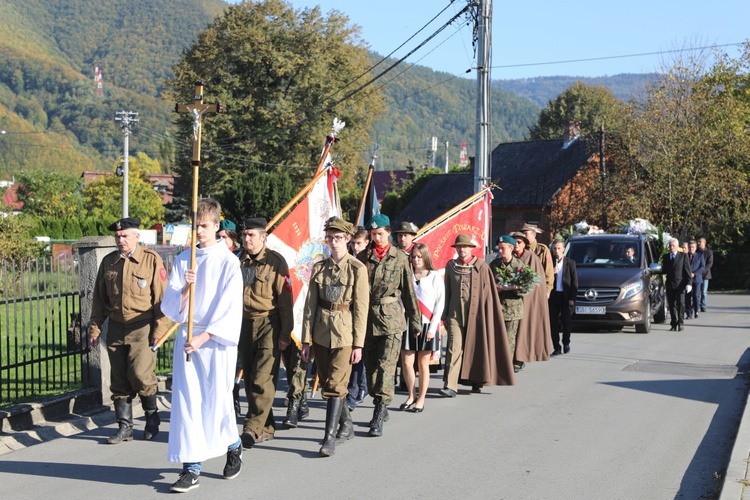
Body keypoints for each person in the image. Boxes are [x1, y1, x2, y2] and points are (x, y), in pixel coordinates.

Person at [161, 198, 244, 492]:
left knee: (216, 401)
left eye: (204, 226)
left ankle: (233, 445)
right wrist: (186, 287)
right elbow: (171, 307)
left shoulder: (229, 262)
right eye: (195, 225)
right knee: (188, 403)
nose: (199, 231)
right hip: (187, 337)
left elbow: (230, 309)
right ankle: (191, 468)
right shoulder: (185, 259)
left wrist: (204, 337)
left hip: (215, 342)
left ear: (217, 225)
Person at [89, 217, 170, 445]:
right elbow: (99, 299)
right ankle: (124, 427)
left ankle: (151, 417)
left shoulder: (150, 260)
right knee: (119, 379)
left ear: (137, 236)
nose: (120, 239)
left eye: (125, 235)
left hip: (142, 326)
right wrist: (95, 328)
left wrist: (159, 330)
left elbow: (162, 299)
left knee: (141, 375)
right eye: (117, 236)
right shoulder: (109, 262)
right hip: (116, 326)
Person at [300, 217, 369, 456]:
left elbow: (361, 309)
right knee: (330, 382)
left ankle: (328, 437)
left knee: (336, 385)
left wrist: (359, 344)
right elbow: (310, 307)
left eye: (338, 238)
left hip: (345, 334)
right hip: (320, 332)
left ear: (348, 239)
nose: (334, 242)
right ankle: (347, 425)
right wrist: (305, 340)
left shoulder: (357, 269)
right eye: (329, 238)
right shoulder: (319, 268)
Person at [357, 214, 421, 437]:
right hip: (366, 318)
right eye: (373, 235)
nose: (377, 238)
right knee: (371, 366)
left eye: (380, 234)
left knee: (386, 365)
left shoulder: (399, 258)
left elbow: (409, 291)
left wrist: (416, 320)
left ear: (389, 234)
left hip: (392, 318)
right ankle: (379, 399)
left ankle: (379, 410)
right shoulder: (362, 256)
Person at [236, 218, 294, 448]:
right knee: (250, 379)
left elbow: (285, 301)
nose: (247, 239)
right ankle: (267, 426)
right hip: (243, 324)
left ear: (263, 237)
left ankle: (251, 427)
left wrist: (285, 334)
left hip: (269, 323)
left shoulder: (276, 263)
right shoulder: (236, 261)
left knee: (263, 377)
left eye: (251, 235)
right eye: (244, 235)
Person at [440, 234, 515, 397]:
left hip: (476, 314)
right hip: (454, 314)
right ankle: (450, 386)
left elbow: (488, 294)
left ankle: (476, 381)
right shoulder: (450, 266)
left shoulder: (481, 266)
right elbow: (447, 291)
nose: (462, 250)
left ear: (471, 248)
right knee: (454, 348)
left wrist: (487, 316)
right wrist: (444, 314)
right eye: (459, 247)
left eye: (465, 247)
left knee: (475, 348)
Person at [399, 242, 444, 412]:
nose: (416, 259)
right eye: (413, 257)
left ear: (425, 257)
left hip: (427, 325)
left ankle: (421, 399)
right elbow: (400, 300)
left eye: (419, 256)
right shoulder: (407, 276)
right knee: (406, 362)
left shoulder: (434, 276)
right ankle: (411, 395)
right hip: (408, 324)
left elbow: (440, 305)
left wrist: (432, 329)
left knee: (422, 363)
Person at [511, 232, 552, 370]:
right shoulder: (507, 257)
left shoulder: (532, 257)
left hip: (527, 298)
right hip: (509, 298)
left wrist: (547, 289)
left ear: (525, 244)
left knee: (524, 327)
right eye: (514, 242)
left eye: (520, 242)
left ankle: (519, 358)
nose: (516, 245)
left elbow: (540, 277)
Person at [488, 235, 527, 365]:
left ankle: (506, 367)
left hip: (512, 310)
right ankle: (494, 365)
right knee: (495, 339)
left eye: (502, 248)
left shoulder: (519, 266)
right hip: (496, 308)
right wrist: (495, 288)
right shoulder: (494, 265)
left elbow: (525, 289)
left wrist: (510, 288)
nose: (500, 251)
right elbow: (487, 284)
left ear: (511, 248)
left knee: (509, 340)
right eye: (498, 248)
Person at [345, 226, 370, 410]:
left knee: (360, 351)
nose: (355, 247)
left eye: (359, 243)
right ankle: (358, 387)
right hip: (348, 311)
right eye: (353, 243)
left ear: (366, 242)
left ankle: (358, 388)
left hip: (366, 311)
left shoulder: (368, 261)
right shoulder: (347, 259)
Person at [548, 239, 578, 355]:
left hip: (565, 297)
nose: (557, 251)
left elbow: (574, 282)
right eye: (555, 248)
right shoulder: (550, 264)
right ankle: (556, 347)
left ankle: (566, 342)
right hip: (553, 296)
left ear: (564, 249)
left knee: (566, 322)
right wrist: (552, 273)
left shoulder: (570, 263)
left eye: (559, 248)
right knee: (553, 323)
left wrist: (572, 298)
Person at [661, 238, 692, 332]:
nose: (671, 247)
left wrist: (689, 283)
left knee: (681, 304)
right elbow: (664, 270)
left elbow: (687, 270)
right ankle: (673, 323)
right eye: (670, 246)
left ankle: (681, 323)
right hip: (670, 284)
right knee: (671, 305)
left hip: (680, 284)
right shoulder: (666, 257)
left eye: (673, 246)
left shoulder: (683, 256)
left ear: (677, 247)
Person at [521, 223, 554, 297]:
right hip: (524, 287)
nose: (523, 236)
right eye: (522, 234)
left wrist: (548, 289)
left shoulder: (542, 249)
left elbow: (549, 271)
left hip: (538, 287)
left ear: (534, 235)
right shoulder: (521, 249)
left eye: (526, 233)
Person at [686, 240, 705, 320]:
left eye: (693, 247)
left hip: (697, 279)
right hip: (687, 279)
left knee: (696, 296)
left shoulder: (700, 256)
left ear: (695, 248)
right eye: (690, 247)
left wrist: (695, 274)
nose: (691, 249)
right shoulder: (685, 256)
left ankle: (696, 311)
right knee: (687, 297)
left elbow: (702, 267)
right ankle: (689, 313)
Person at [697, 237, 713, 312]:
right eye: (698, 242)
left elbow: (710, 263)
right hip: (697, 274)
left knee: (704, 291)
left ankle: (703, 305)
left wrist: (703, 271)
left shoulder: (709, 252)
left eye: (700, 242)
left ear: (704, 243)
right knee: (697, 291)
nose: (698, 243)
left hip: (706, 275)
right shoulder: (697, 252)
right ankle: (696, 305)